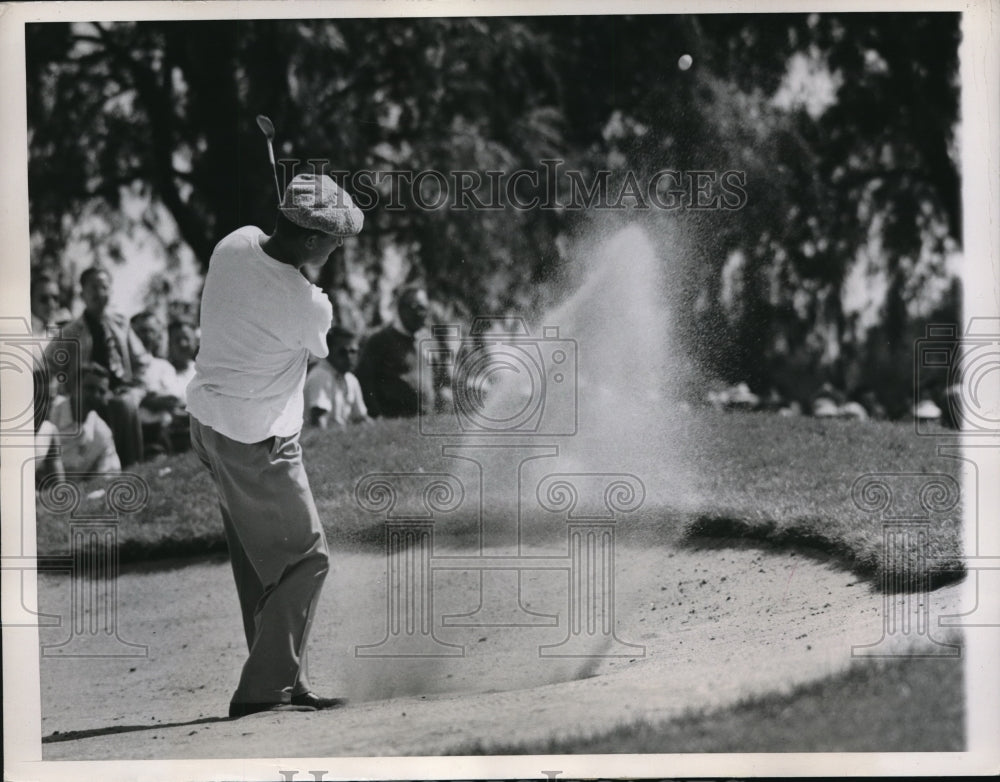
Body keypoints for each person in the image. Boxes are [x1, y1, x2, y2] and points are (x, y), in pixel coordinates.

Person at [186, 172, 362, 719]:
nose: (338, 248)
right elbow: (316, 347)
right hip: (256, 439)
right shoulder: (311, 305)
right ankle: (263, 690)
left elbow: (267, 265)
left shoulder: (231, 243)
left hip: (208, 426)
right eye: (335, 239)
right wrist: (310, 291)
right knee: (307, 559)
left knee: (262, 565)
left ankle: (289, 679)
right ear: (311, 240)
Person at [49, 266, 148, 467]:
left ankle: (134, 466)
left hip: (118, 389)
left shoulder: (120, 323)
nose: (99, 293)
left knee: (126, 400)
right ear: (82, 293)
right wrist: (62, 391)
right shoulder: (70, 332)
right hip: (85, 393)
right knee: (119, 404)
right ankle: (123, 465)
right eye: (93, 287)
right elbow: (49, 366)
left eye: (104, 287)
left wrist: (139, 389)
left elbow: (142, 362)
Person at [355, 285, 447, 418]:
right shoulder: (380, 340)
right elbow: (364, 380)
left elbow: (438, 379)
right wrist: (376, 416)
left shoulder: (428, 339)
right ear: (401, 310)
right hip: (393, 422)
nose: (423, 314)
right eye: (418, 308)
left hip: (425, 420)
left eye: (425, 309)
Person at [47, 363, 122, 476]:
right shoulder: (50, 412)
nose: (95, 395)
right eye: (90, 388)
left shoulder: (102, 433)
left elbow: (110, 474)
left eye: (101, 392)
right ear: (73, 386)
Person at [140, 317, 199, 455]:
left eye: (187, 339)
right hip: (164, 430)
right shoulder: (158, 367)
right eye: (177, 340)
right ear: (168, 343)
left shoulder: (202, 371)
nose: (182, 344)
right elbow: (148, 399)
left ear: (195, 342)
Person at [304, 325, 371, 429]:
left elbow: (361, 419)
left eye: (353, 351)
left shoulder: (351, 379)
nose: (349, 357)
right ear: (327, 352)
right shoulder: (321, 375)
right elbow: (318, 423)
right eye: (342, 352)